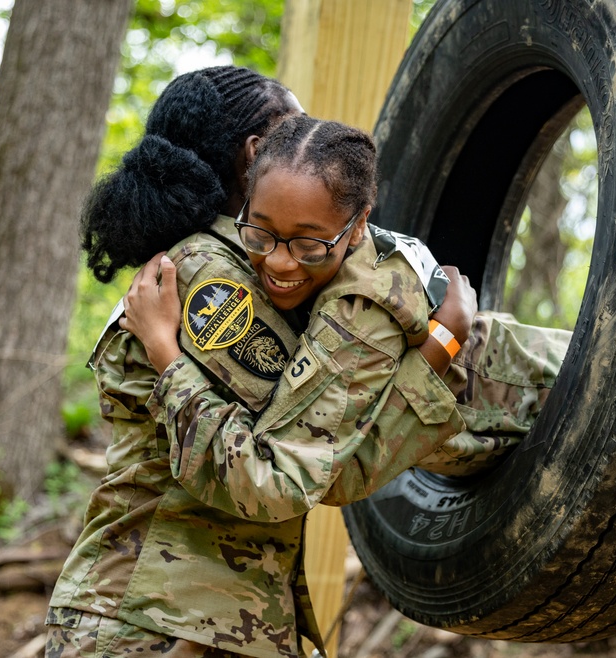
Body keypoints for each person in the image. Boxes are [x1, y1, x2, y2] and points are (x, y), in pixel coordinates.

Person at [130, 115, 616, 600]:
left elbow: (284, 482)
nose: (279, 262)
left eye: (307, 243)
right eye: (259, 233)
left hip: (579, 427)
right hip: (533, 373)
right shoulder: (305, 234)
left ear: (357, 228)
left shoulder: (356, 313)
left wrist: (167, 357)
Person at [46, 68, 507, 658]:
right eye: (293, 130)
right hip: (149, 622)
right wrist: (440, 347)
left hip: (192, 618)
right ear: (256, 153)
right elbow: (298, 468)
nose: (307, 146)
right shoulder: (212, 278)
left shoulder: (248, 270)